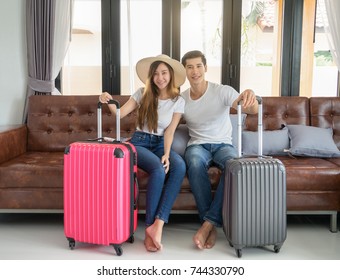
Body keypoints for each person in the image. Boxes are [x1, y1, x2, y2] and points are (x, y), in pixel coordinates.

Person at [99, 54, 186, 252]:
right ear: (151, 76)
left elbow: (170, 130)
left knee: (179, 165)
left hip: (160, 143)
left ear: (170, 75)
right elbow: (119, 113)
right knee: (157, 169)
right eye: (156, 74)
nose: (160, 77)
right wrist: (108, 98)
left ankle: (159, 223)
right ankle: (149, 228)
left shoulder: (178, 100)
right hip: (139, 142)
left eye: (164, 73)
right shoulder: (141, 93)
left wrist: (166, 153)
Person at [180, 50, 258, 250]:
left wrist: (249, 94)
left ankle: (207, 224)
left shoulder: (222, 90)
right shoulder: (182, 99)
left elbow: (252, 109)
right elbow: (166, 123)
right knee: (195, 163)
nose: (195, 71)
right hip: (197, 146)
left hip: (223, 145)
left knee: (235, 166)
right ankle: (211, 225)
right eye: (189, 67)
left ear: (205, 68)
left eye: (198, 66)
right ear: (185, 71)